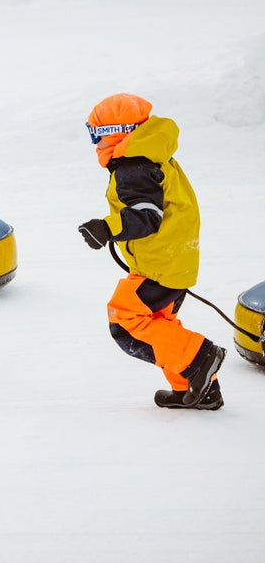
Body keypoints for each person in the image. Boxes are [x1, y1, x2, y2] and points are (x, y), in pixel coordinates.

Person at [78, 93, 226, 410]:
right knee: (159, 325)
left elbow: (147, 216)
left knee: (125, 321)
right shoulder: (152, 154)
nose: (96, 144)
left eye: (98, 135)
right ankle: (198, 387)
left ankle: (200, 356)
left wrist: (106, 227)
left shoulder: (134, 167)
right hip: (173, 260)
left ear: (120, 133)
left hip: (160, 265)